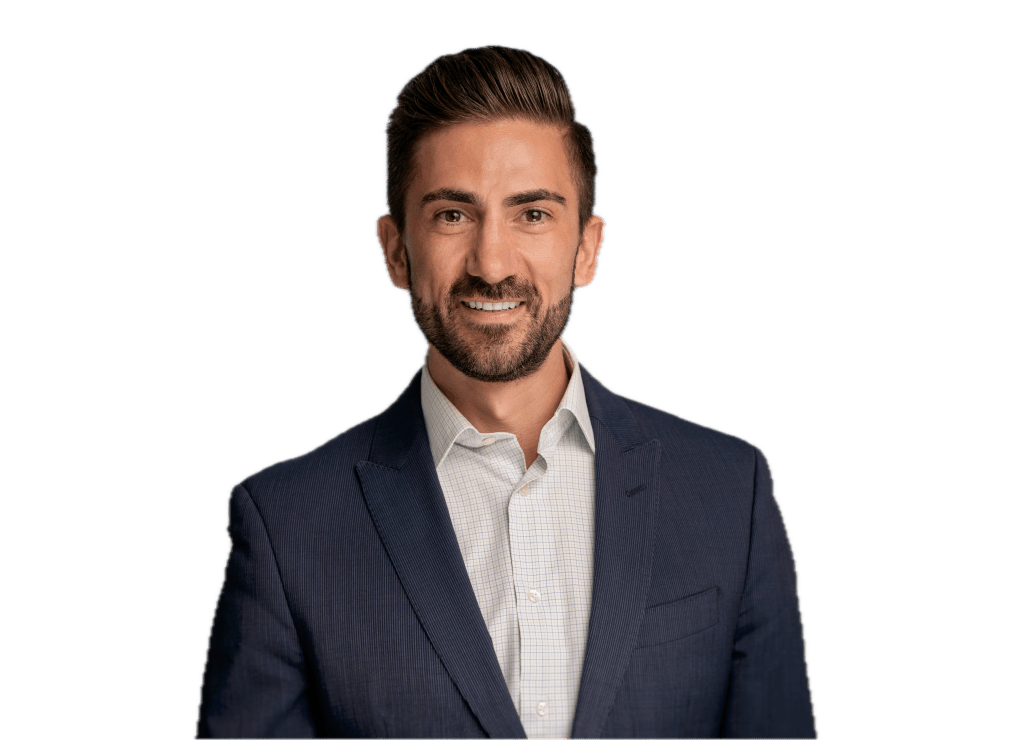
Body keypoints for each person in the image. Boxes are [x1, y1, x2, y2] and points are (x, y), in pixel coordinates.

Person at [195, 44, 817, 739]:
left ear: (587, 248)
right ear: (396, 251)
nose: (491, 263)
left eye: (533, 214)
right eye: (452, 215)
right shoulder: (286, 527)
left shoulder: (731, 494)